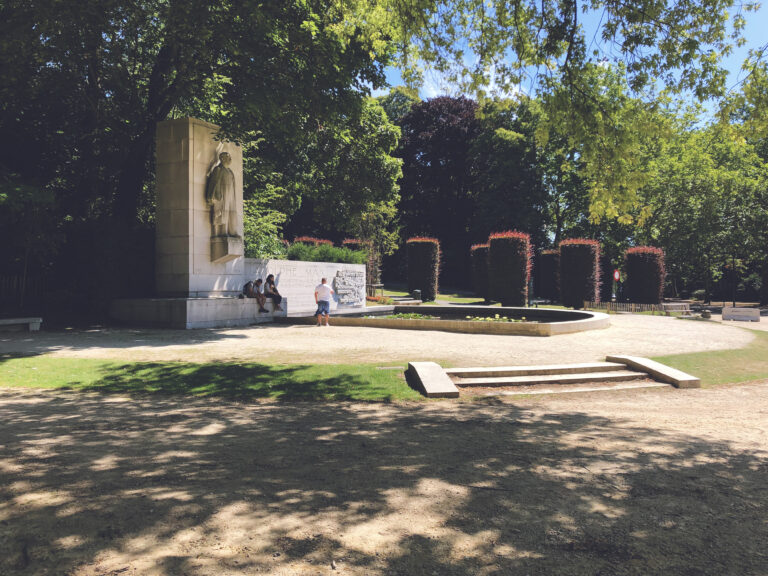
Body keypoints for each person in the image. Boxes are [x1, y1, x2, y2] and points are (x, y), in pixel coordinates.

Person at [205, 151, 239, 237]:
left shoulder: (230, 171)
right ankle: (223, 232)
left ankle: (232, 231)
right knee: (223, 213)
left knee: (231, 212)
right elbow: (214, 183)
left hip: (230, 195)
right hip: (222, 195)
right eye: (228, 157)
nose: (230, 159)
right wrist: (214, 196)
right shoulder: (218, 169)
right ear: (222, 158)